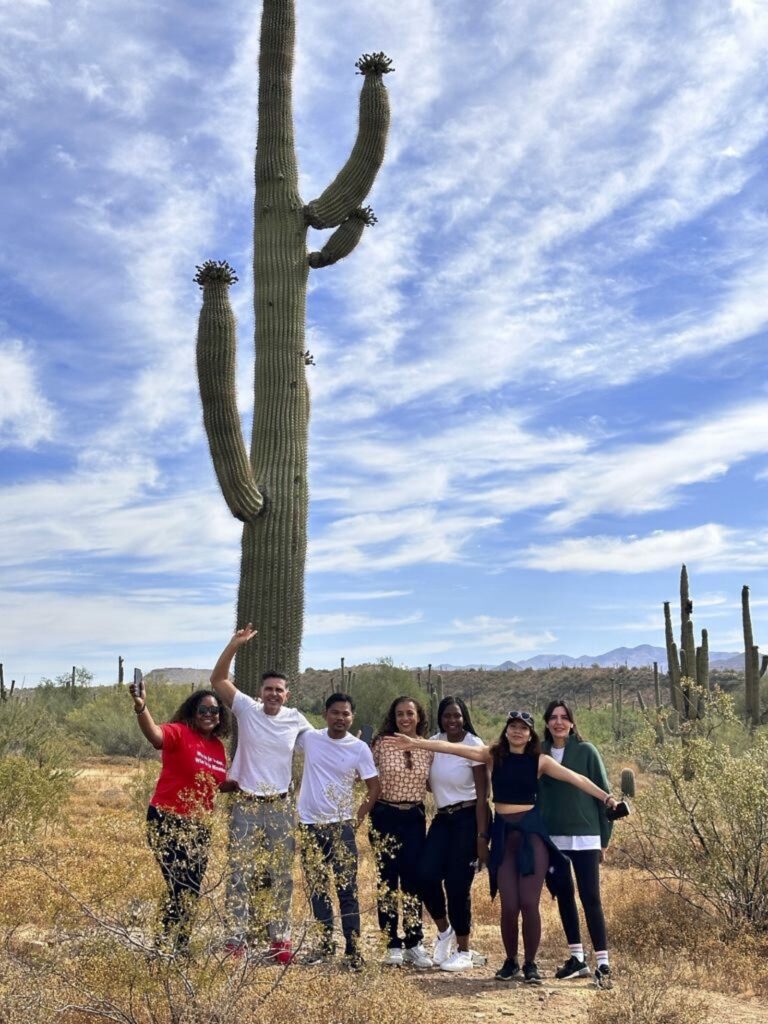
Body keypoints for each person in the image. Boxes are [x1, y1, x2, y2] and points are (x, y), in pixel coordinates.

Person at [385, 709, 617, 984]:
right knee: (509, 904)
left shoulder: (539, 761)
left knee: (529, 903)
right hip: (504, 835)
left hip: (531, 836)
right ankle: (511, 962)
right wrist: (418, 743)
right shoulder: (493, 755)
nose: (517, 731)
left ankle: (530, 964)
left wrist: (607, 798)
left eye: (523, 728)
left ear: (531, 734)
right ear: (506, 731)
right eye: (513, 727)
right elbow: (453, 748)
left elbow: (576, 779)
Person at [210, 625, 312, 964]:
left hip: (281, 808)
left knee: (281, 875)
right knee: (239, 872)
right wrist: (234, 644)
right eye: (268, 689)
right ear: (260, 691)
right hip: (246, 805)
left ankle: (279, 940)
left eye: (279, 690)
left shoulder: (296, 719)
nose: (273, 694)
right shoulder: (246, 709)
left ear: (287, 694)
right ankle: (235, 940)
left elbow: (318, 747)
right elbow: (218, 680)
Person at [130, 681, 230, 953]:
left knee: (191, 887)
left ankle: (180, 946)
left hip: (200, 825)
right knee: (179, 884)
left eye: (215, 710)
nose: (209, 714)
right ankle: (163, 947)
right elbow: (155, 736)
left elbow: (216, 782)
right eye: (203, 709)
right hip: (167, 819)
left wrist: (251, 785)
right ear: (192, 711)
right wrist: (142, 708)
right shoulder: (179, 733)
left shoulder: (218, 747)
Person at [296, 693, 380, 969]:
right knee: (318, 888)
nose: (340, 718)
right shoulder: (310, 738)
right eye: (335, 712)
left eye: (345, 714)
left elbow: (373, 788)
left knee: (347, 889)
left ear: (352, 717)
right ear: (325, 713)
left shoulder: (358, 748)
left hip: (340, 826)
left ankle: (353, 950)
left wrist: (356, 818)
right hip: (310, 824)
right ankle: (324, 944)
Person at [539, 699, 613, 989]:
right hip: (552, 837)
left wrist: (604, 840)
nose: (559, 722)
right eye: (554, 717)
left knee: (591, 897)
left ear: (572, 722)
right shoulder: (540, 753)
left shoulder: (586, 751)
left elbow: (603, 794)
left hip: (586, 836)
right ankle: (577, 959)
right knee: (564, 896)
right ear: (546, 722)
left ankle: (603, 963)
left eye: (564, 717)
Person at [420, 696, 490, 973]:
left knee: (458, 886)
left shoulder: (474, 745)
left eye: (457, 716)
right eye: (447, 716)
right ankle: (444, 930)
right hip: (442, 818)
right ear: (440, 718)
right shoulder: (435, 742)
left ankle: (464, 950)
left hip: (468, 818)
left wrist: (483, 838)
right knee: (425, 874)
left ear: (464, 717)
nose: (452, 721)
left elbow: (484, 796)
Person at [369, 696, 434, 967]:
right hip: (385, 815)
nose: (405, 718)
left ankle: (414, 942)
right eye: (399, 714)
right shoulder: (381, 745)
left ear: (419, 716)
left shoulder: (427, 747)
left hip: (415, 817)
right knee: (387, 879)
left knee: (413, 880)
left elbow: (431, 783)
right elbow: (368, 777)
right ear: (393, 718)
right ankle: (390, 942)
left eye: (410, 713)